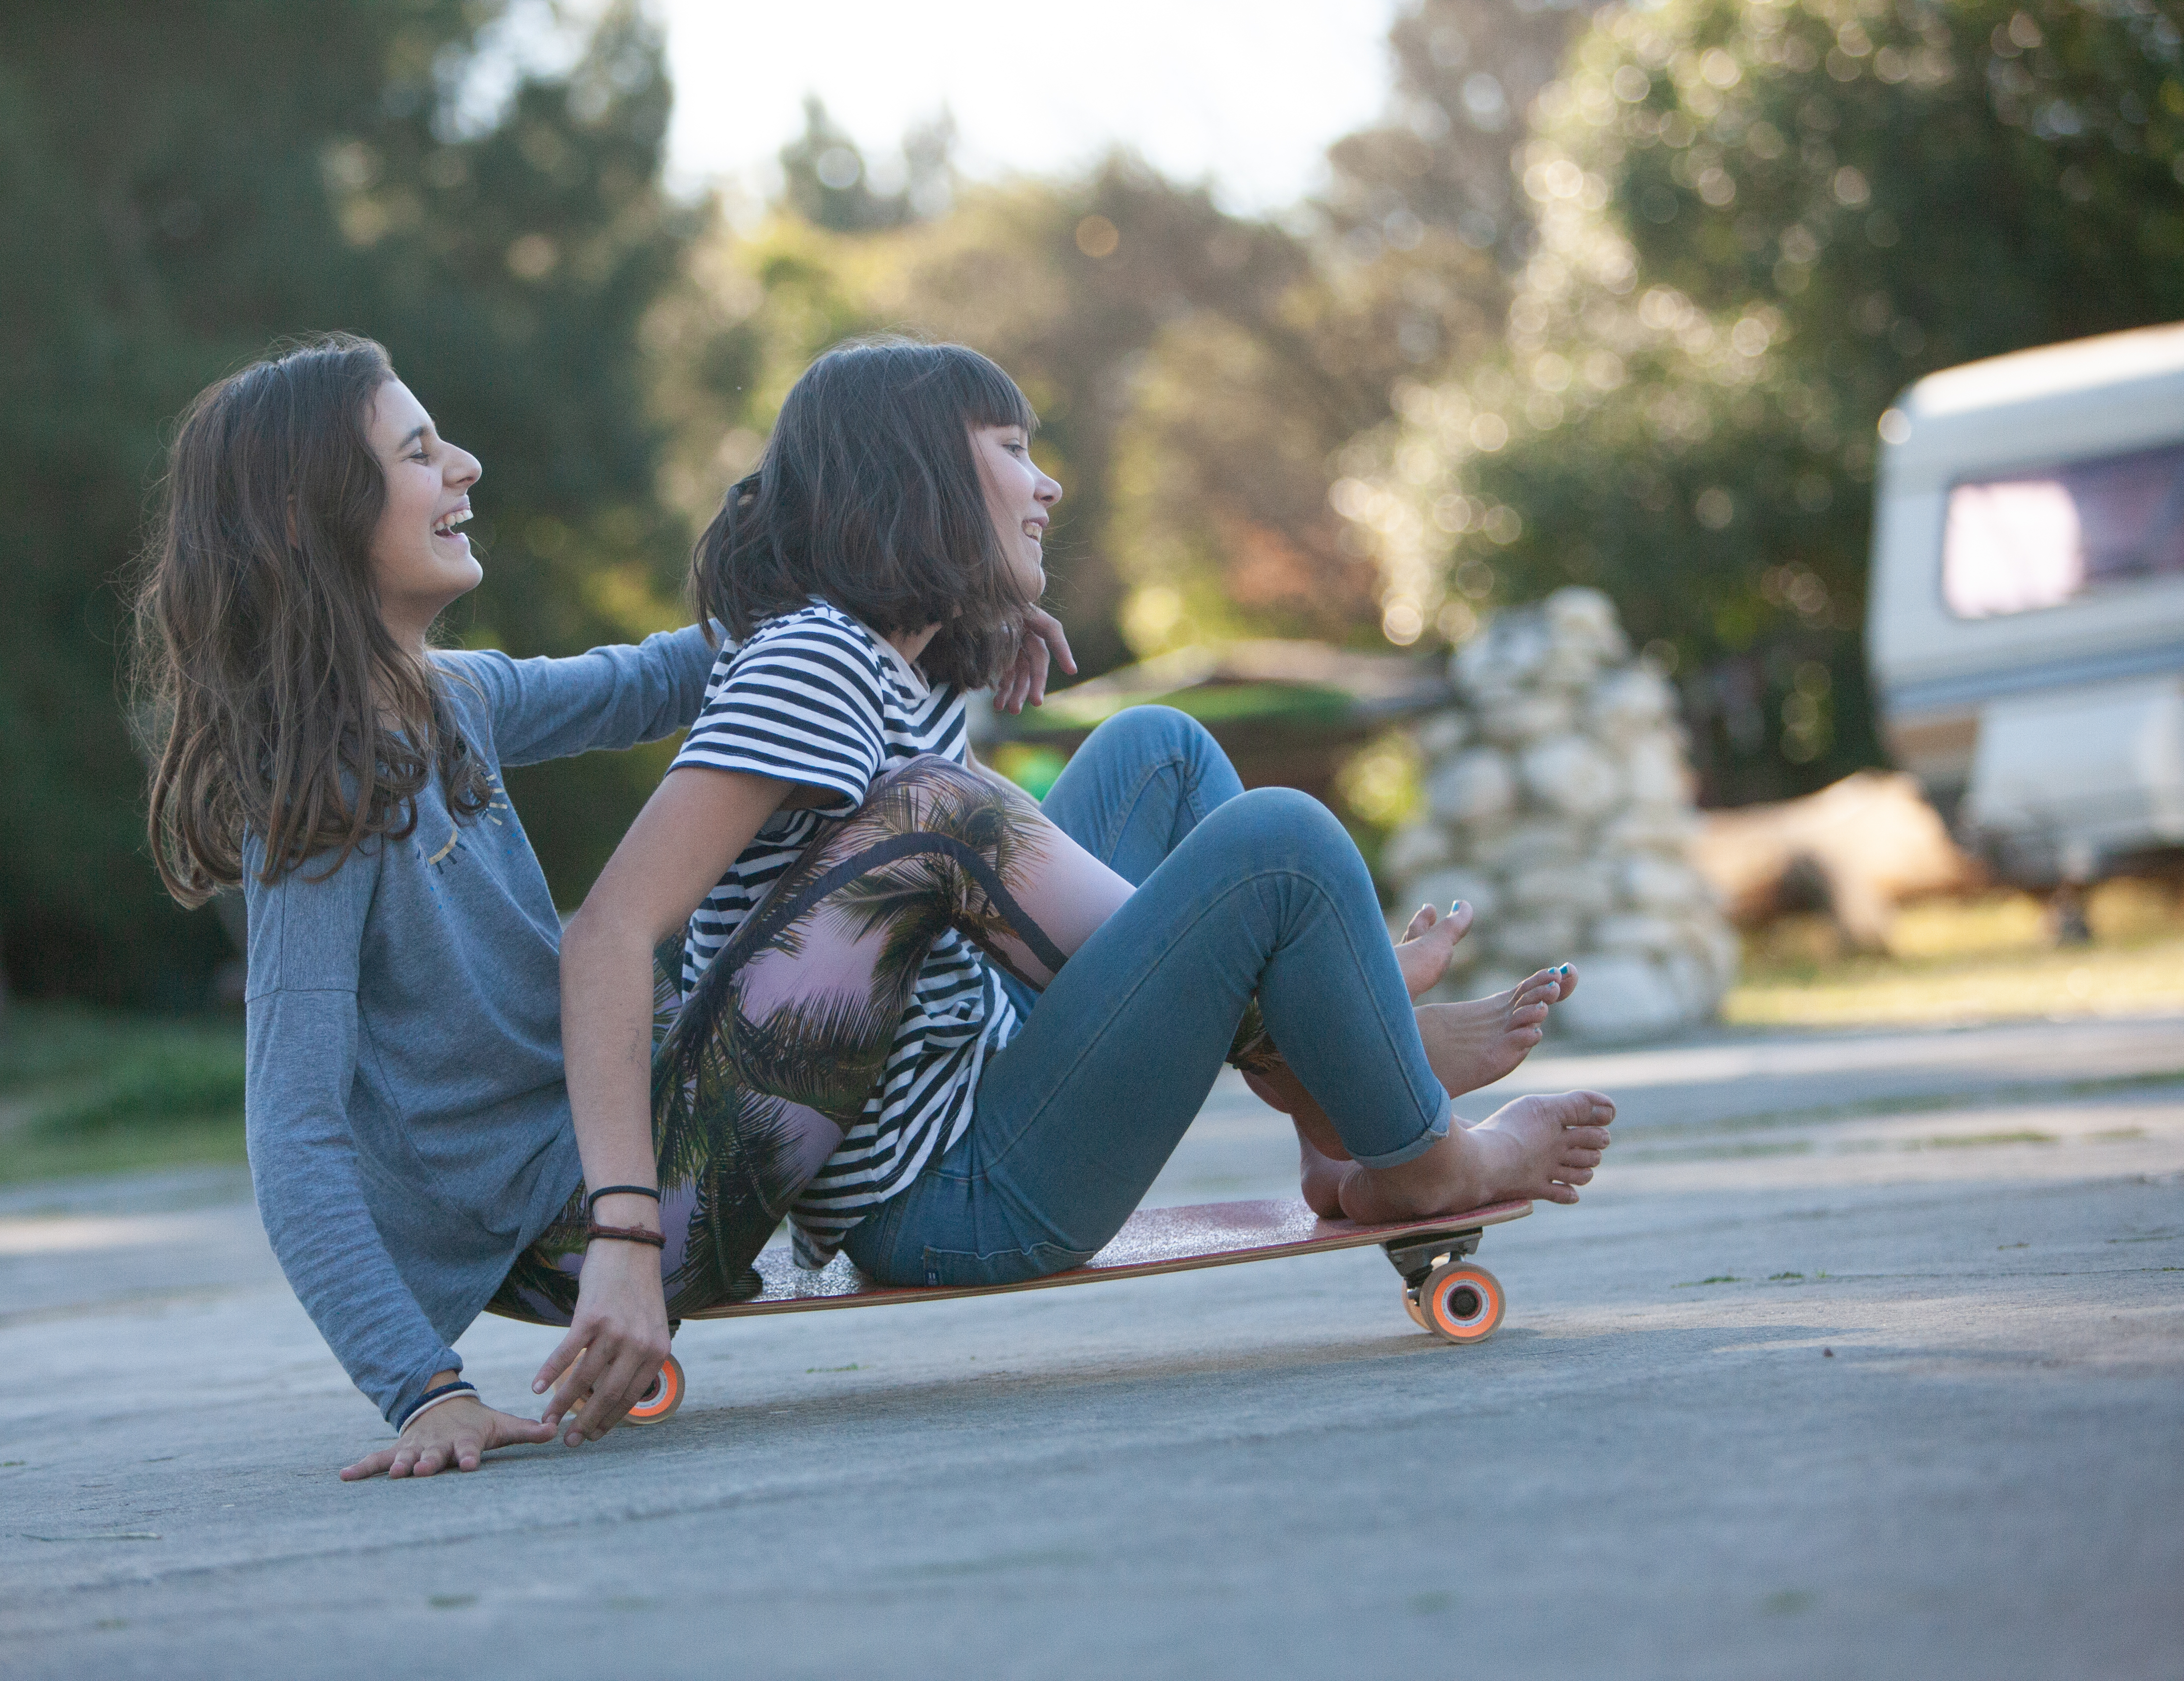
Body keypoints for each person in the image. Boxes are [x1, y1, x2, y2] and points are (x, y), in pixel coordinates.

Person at [538, 336, 1614, 1461]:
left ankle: (1335, 1120)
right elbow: (612, 928)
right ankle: (1420, 1136)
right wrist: (624, 1223)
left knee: (1160, 750)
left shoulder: (876, 658)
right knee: (1280, 844)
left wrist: (968, 621)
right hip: (950, 1196)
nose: (1047, 482)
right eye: (1012, 449)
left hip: (986, 1080)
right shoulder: (816, 663)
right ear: (918, 482)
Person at [132, 333, 1077, 1480]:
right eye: (420, 452)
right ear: (307, 516)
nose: (466, 466)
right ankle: (1208, 1001)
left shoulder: (454, 701)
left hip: (631, 1144)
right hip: (578, 1228)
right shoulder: (319, 806)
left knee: (1147, 760)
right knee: (934, 816)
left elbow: (675, 672)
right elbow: (293, 1134)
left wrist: (949, 589)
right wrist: (422, 1386)